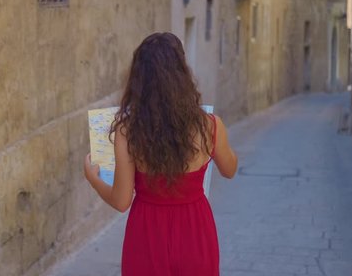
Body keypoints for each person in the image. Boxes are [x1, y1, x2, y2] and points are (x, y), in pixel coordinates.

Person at [83, 32, 238, 275]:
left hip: (146, 233)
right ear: (182, 74)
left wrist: (93, 178)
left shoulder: (128, 131)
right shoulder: (210, 125)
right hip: (195, 231)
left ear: (139, 80)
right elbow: (230, 170)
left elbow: (121, 201)